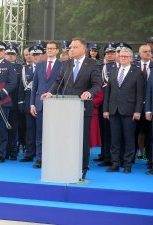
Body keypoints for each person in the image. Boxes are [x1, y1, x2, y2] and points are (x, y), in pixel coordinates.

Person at [41, 37, 101, 179]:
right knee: (67, 139)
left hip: (83, 108)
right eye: (70, 47)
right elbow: (59, 82)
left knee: (82, 140)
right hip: (67, 109)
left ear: (83, 49)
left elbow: (97, 85)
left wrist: (89, 92)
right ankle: (66, 166)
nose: (71, 49)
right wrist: (50, 92)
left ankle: (82, 169)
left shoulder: (92, 64)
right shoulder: (66, 63)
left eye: (74, 47)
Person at [103, 47, 144, 173]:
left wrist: (138, 111)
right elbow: (108, 92)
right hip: (113, 110)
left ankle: (127, 164)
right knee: (115, 139)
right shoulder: (114, 71)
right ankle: (115, 164)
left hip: (129, 111)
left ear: (131, 58)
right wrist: (105, 109)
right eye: (121, 56)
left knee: (129, 138)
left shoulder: (137, 72)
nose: (123, 58)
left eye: (126, 56)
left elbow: (140, 94)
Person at [30, 41, 62, 168]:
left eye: (52, 48)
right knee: (40, 133)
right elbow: (35, 86)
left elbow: (63, 85)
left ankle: (54, 158)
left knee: (55, 134)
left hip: (56, 104)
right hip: (40, 104)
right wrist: (32, 104)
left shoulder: (63, 65)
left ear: (57, 51)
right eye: (47, 48)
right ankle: (40, 159)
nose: (49, 50)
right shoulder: (40, 65)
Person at [18, 45, 44, 162]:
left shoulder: (45, 68)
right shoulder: (25, 69)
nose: (34, 57)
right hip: (29, 101)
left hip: (43, 102)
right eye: (33, 54)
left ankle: (42, 154)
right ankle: (29, 153)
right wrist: (21, 102)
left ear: (42, 55)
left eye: (37, 54)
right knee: (30, 129)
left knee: (43, 130)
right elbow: (21, 88)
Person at [4, 44, 22, 160]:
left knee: (14, 128)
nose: (10, 57)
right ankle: (4, 151)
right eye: (8, 54)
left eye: (12, 54)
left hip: (15, 102)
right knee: (2, 128)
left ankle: (13, 151)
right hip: (3, 100)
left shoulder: (21, 68)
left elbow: (20, 86)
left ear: (16, 56)